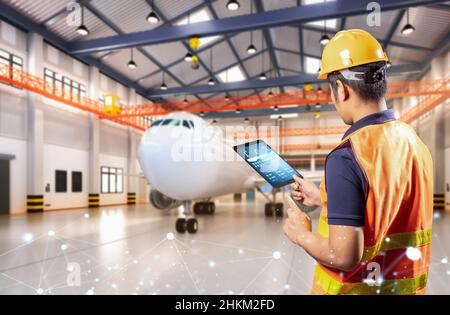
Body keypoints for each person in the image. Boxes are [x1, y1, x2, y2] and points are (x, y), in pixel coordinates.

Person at [283, 29, 433, 295]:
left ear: (340, 89)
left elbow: (343, 256)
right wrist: (324, 198)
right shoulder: (412, 141)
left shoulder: (347, 155)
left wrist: (300, 235)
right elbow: (385, 201)